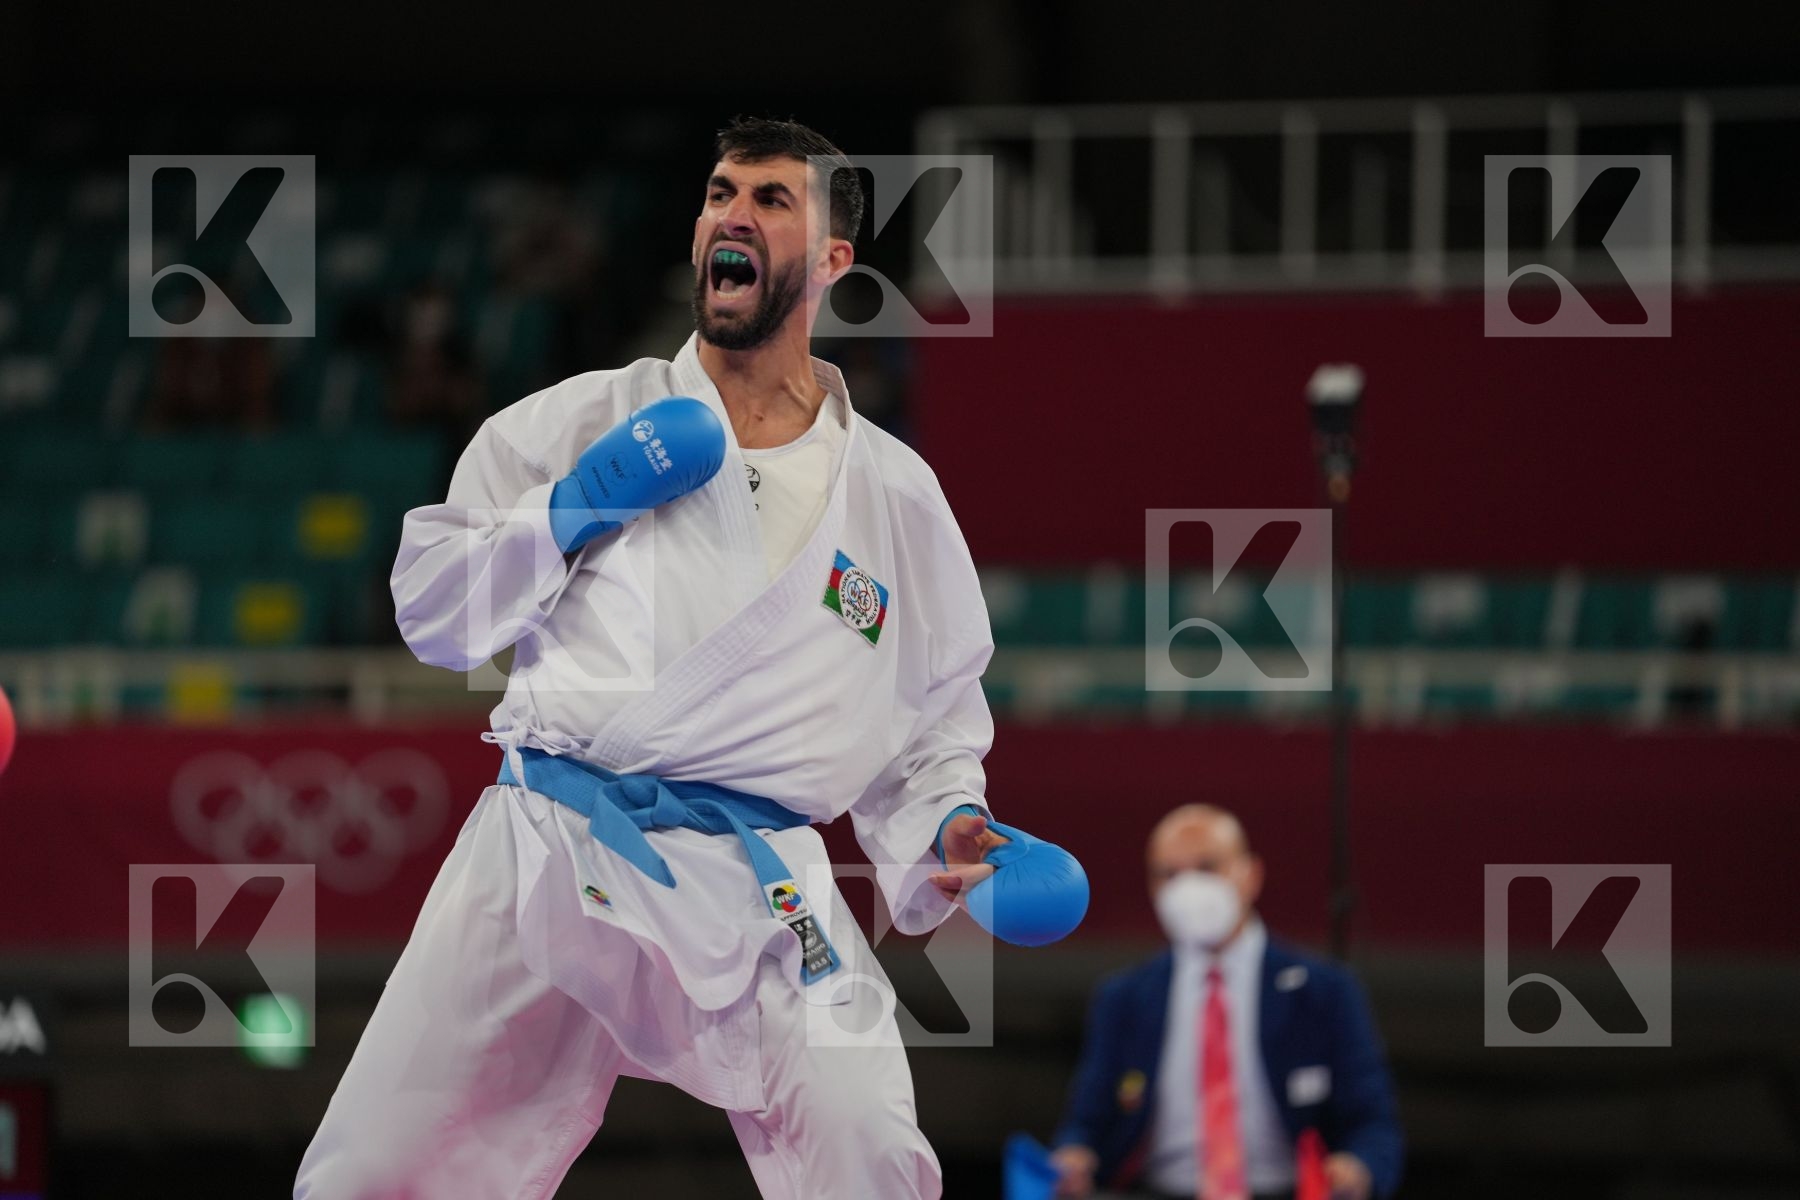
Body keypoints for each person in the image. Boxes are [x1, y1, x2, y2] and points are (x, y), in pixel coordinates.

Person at [295, 116, 1085, 1199]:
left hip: (759, 878)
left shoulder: (893, 492)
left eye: (770, 200)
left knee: (864, 1143)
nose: (732, 216)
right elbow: (432, 614)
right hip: (549, 839)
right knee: (380, 1170)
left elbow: (931, 714)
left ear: (834, 260)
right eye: (720, 194)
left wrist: (951, 817)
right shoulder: (582, 419)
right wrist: (568, 511)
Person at [1050, 806, 1403, 1200]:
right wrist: (1074, 1157)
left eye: (1207, 867)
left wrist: (1357, 1168)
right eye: (1169, 874)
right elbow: (1086, 1121)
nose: (1188, 887)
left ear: (1251, 875)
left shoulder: (1325, 992)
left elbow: (1372, 1123)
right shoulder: (1124, 999)